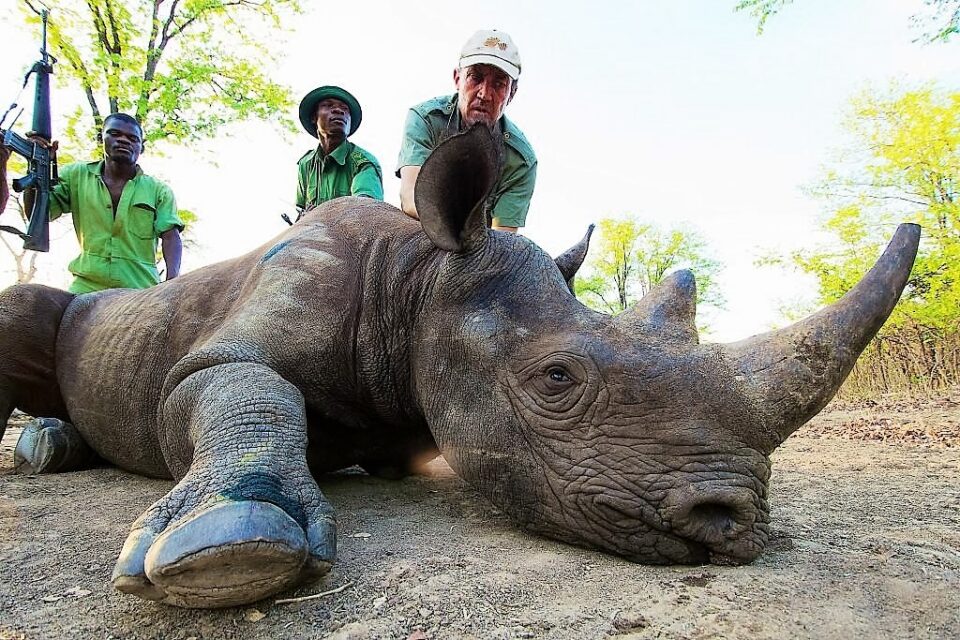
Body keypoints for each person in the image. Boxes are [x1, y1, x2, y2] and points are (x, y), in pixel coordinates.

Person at [1, 112, 183, 293]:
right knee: (30, 299)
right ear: (101, 139)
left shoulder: (159, 190)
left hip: (140, 289)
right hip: (85, 287)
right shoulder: (75, 175)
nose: (124, 140)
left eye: (132, 138)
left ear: (140, 147)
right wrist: (36, 169)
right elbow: (39, 214)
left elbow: (170, 236)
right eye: (115, 134)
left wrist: (172, 284)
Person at [397, 29, 537, 233]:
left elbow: (504, 237)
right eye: (476, 77)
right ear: (457, 79)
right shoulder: (425, 119)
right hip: (419, 231)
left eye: (499, 84)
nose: (485, 94)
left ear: (511, 94)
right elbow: (410, 199)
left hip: (479, 254)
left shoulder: (521, 161)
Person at [295, 85, 383, 214]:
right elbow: (301, 210)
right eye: (328, 105)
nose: (339, 111)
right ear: (314, 117)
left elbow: (366, 210)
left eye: (345, 109)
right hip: (311, 232)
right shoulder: (306, 163)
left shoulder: (363, 162)